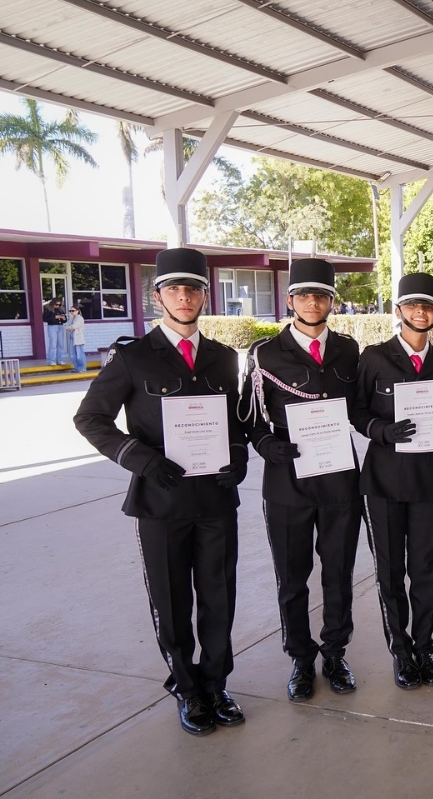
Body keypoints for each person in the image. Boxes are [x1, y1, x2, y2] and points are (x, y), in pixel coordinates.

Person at [74, 248, 249, 737]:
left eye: (193, 288)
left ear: (204, 295)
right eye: (174, 288)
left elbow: (233, 421)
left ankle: (216, 684)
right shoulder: (132, 357)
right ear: (157, 297)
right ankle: (187, 689)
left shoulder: (222, 357)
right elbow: (90, 419)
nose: (185, 296)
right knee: (172, 601)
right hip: (161, 502)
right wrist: (143, 459)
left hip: (215, 500)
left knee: (219, 596)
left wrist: (237, 455)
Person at [240, 259, 363, 701]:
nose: (313, 302)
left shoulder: (350, 351)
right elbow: (250, 420)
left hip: (339, 479)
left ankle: (334, 653)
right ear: (289, 300)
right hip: (286, 478)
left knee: (339, 572)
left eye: (321, 295)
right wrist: (266, 445)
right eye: (304, 295)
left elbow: (363, 408)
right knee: (292, 576)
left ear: (332, 300)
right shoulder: (265, 354)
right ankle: (300, 658)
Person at [350, 272, 433, 688]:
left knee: (425, 568)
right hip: (383, 479)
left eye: (428, 306)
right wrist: (379, 430)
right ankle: (401, 650)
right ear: (398, 311)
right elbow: (354, 410)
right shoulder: (374, 357)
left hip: (427, 476)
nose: (420, 312)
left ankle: (425, 649)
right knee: (390, 570)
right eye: (412, 305)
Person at [43, 297, 67, 365]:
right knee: (53, 344)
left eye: (59, 305)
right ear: (53, 303)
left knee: (61, 344)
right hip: (52, 326)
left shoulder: (61, 309)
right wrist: (54, 317)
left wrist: (63, 318)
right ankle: (51, 360)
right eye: (56, 304)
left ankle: (60, 359)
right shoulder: (48, 309)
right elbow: (44, 318)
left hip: (60, 326)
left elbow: (65, 320)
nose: (57, 306)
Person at [64, 305, 86, 372]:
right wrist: (69, 328)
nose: (71, 312)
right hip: (72, 338)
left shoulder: (80, 318)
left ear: (77, 311)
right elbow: (66, 326)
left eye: (73, 311)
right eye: (70, 311)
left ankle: (82, 368)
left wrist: (70, 328)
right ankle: (76, 367)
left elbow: (74, 326)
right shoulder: (71, 319)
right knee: (72, 355)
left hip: (78, 339)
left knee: (79, 355)